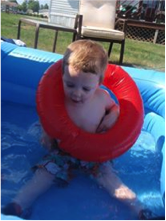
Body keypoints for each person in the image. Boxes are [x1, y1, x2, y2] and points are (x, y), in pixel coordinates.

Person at [2, 40, 144, 219]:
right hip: (62, 152)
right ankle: (19, 204)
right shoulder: (57, 99)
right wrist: (47, 132)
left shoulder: (102, 97)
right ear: (61, 76)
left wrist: (113, 116)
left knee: (112, 181)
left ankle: (139, 209)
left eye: (86, 88)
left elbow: (115, 107)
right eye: (70, 85)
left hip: (94, 155)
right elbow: (47, 115)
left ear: (99, 82)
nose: (77, 93)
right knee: (43, 175)